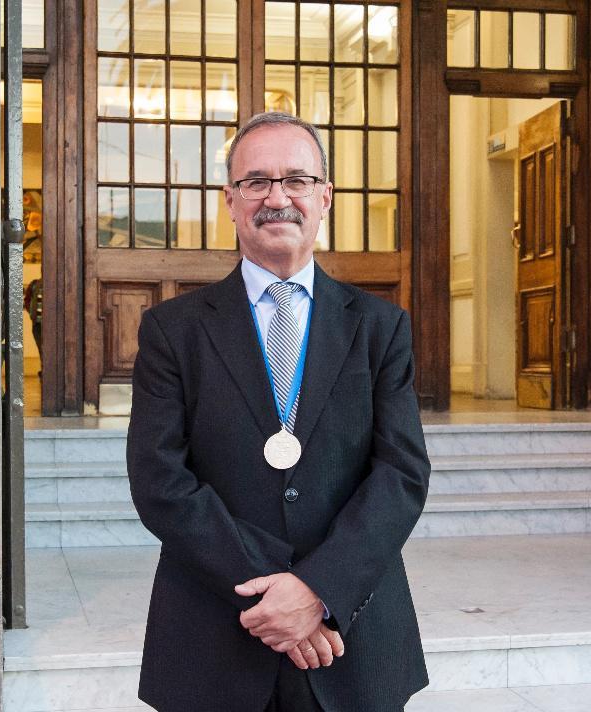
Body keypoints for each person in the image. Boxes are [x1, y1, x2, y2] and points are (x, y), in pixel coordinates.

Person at [127, 111, 430, 712]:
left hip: (350, 636)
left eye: (295, 180)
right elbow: (160, 480)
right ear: (230, 202)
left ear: (325, 197)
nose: (277, 198)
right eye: (256, 182)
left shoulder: (380, 328)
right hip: (215, 634)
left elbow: (401, 475)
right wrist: (278, 592)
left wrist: (318, 590)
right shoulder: (172, 331)